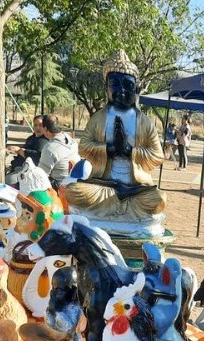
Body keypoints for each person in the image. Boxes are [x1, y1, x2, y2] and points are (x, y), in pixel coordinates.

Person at [63, 50, 165, 235]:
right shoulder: (98, 118)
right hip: (104, 184)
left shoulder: (144, 122)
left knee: (157, 200)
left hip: (135, 188)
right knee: (73, 191)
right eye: (115, 85)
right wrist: (108, 149)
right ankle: (119, 203)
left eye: (127, 85)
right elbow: (84, 147)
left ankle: (119, 204)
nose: (122, 91)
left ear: (136, 89)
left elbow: (158, 155)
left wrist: (128, 151)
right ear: (107, 88)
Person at [38, 115, 78, 189]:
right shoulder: (72, 141)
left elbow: (41, 175)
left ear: (45, 128)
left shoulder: (50, 148)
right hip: (74, 182)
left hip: (59, 186)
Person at [7, 115, 48, 183]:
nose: (38, 127)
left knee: (9, 180)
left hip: (29, 172)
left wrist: (21, 151)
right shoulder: (31, 138)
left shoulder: (44, 140)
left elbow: (38, 157)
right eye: (35, 125)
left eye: (40, 125)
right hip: (19, 167)